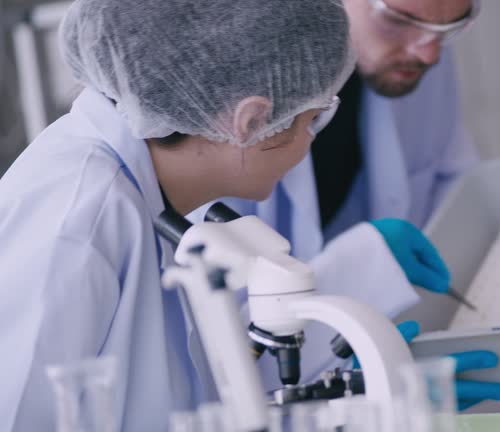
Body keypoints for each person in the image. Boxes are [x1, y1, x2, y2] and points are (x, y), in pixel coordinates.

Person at [192, 0, 500, 410]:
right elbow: (201, 343)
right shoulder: (225, 80)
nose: (429, 53)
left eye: (449, 28)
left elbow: (444, 187)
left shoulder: (419, 52)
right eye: (398, 20)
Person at [0, 0, 356, 430]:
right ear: (252, 120)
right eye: (312, 119)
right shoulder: (78, 223)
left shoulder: (143, 189)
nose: (308, 143)